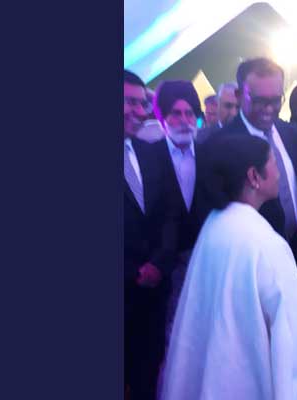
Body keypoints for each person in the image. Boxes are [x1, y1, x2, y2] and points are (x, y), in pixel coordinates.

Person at [158, 135, 297, 400]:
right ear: (254, 176)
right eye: (274, 163)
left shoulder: (216, 222)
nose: (279, 174)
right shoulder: (263, 241)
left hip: (218, 371)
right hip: (246, 380)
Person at [211, 57, 297, 244]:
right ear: (239, 95)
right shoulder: (219, 146)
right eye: (259, 100)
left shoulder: (292, 133)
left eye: (276, 100)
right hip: (257, 252)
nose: (269, 108)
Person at [123, 70, 181, 400]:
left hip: (153, 294)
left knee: (147, 374)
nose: (138, 110)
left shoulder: (150, 152)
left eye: (141, 103)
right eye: (129, 102)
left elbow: (169, 215)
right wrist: (133, 273)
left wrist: (159, 263)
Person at [152, 79, 211, 338]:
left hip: (203, 260)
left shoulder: (210, 155)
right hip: (162, 266)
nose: (185, 121)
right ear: (162, 117)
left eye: (189, 113)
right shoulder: (149, 156)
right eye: (176, 113)